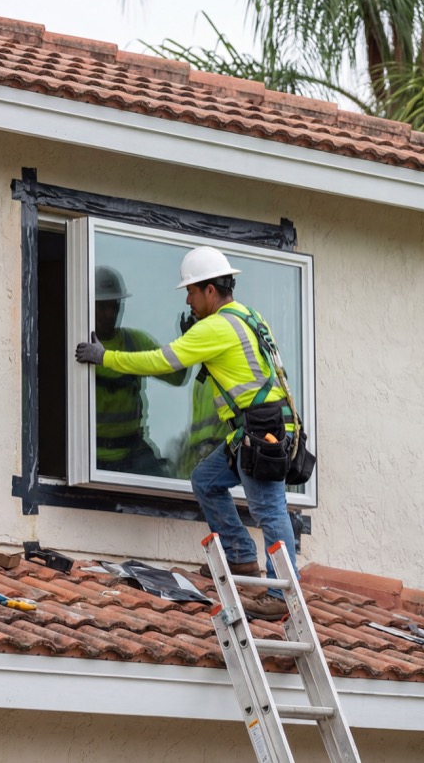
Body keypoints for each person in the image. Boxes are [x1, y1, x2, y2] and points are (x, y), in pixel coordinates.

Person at [75, 247, 297, 620]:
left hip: (260, 429)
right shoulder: (248, 316)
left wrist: (105, 357)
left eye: (191, 292)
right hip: (257, 427)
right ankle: (242, 560)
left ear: (211, 291)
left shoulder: (216, 326)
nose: (189, 301)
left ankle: (281, 594)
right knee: (206, 481)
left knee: (269, 509)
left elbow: (163, 362)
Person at [90, 266, 186, 475]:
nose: (110, 313)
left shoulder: (134, 342)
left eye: (114, 306)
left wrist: (188, 342)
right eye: (102, 306)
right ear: (89, 305)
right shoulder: (78, 344)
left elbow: (177, 377)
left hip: (132, 453)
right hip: (88, 458)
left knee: (166, 489)